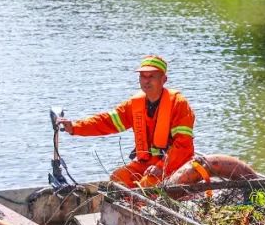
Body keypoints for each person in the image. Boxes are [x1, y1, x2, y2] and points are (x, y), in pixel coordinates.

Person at [56, 55, 195, 188]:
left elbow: (183, 146)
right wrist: (74, 127)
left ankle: (139, 209)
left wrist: (161, 167)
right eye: (142, 76)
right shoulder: (134, 105)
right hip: (146, 163)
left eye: (151, 76)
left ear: (164, 79)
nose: (146, 81)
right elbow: (106, 122)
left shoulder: (178, 104)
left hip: (175, 165)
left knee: (147, 186)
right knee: (118, 179)